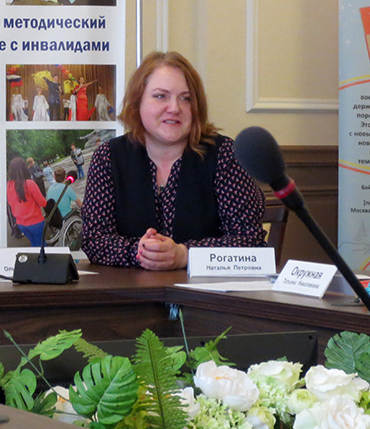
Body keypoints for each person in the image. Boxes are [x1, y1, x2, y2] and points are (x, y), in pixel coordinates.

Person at [81, 51, 266, 270]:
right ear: (137, 102)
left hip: (205, 290)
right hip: (130, 289)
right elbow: (94, 239)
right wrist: (142, 252)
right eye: (161, 96)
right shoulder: (108, 157)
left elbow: (250, 241)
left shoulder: (224, 155)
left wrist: (185, 255)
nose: (175, 108)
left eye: (185, 98)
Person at [7, 157, 49, 247]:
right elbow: (43, 203)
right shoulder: (29, 183)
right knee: (41, 245)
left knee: (33, 244)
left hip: (21, 224)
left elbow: (11, 204)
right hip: (36, 222)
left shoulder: (8, 185)